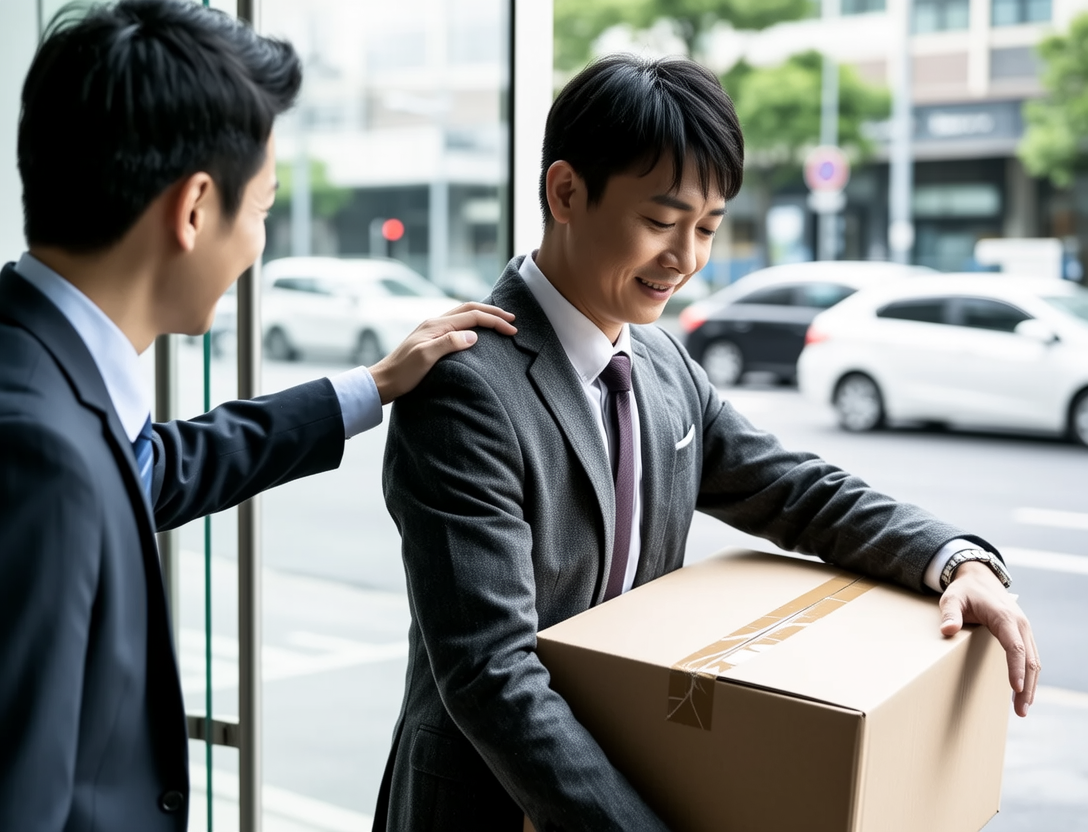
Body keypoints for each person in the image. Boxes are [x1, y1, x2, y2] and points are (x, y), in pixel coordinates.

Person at [376, 55, 1040, 831]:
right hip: (489, 804)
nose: (687, 259)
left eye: (708, 228)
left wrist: (952, 558)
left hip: (641, 768)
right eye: (661, 222)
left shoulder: (659, 360)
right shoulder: (466, 388)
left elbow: (793, 489)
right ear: (565, 192)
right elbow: (490, 673)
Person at [0, 2, 515, 831]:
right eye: (266, 206)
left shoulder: (33, 369)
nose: (260, 243)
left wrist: (371, 386)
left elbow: (151, 465)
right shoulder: (37, 451)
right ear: (196, 208)